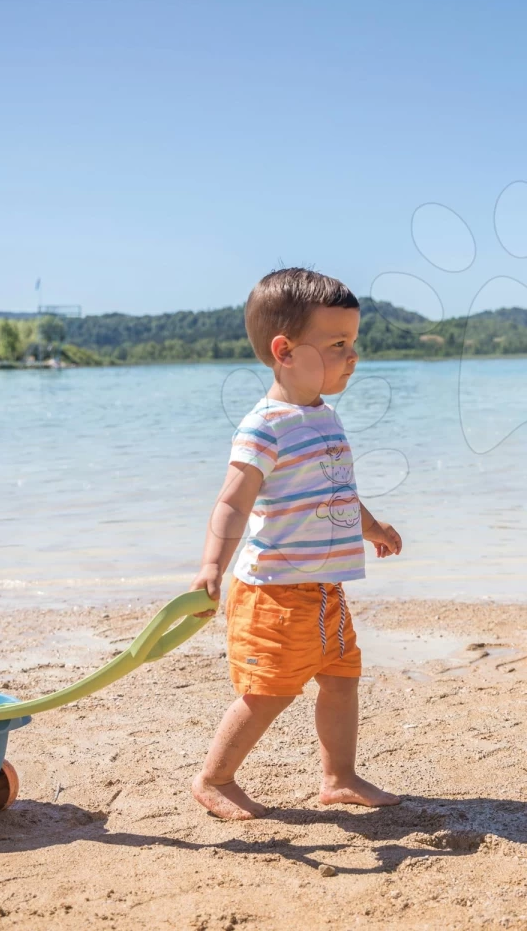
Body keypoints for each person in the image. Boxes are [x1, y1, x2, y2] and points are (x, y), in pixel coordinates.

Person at [189, 268, 403, 820]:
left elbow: (337, 493)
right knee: (269, 691)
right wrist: (213, 565)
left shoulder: (324, 418)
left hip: (325, 589)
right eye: (337, 344)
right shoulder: (265, 426)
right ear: (284, 350)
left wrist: (372, 527)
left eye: (354, 342)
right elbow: (234, 501)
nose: (352, 355)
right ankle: (215, 779)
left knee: (340, 680)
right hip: (276, 594)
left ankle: (339, 777)